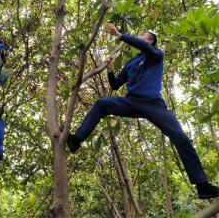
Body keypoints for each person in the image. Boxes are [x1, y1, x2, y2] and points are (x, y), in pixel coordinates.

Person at [66, 22, 219, 199]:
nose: (139, 38)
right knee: (102, 104)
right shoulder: (131, 63)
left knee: (181, 138)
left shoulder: (156, 54)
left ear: (150, 41)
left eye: (142, 36)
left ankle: (202, 185)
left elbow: (142, 45)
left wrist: (120, 35)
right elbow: (115, 86)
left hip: (153, 104)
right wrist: (109, 70)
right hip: (131, 102)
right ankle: (76, 140)